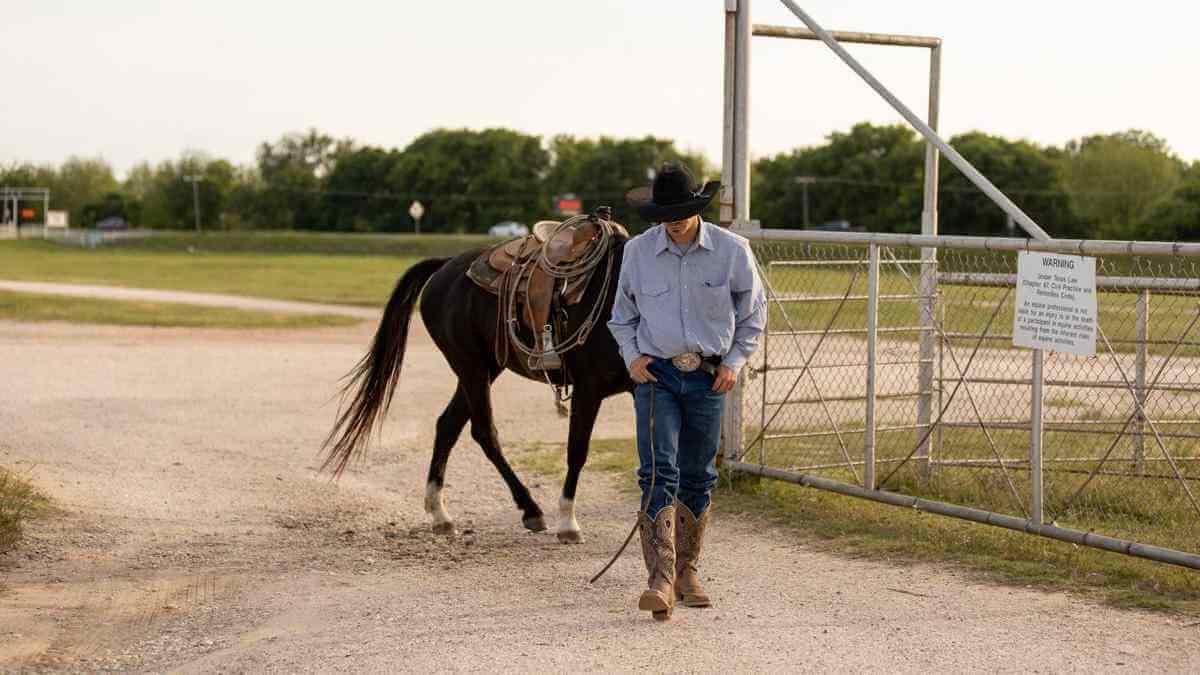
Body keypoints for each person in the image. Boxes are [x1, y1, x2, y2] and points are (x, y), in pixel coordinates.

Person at [607, 163, 766, 621]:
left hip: (708, 376)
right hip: (656, 376)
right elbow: (622, 316)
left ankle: (687, 571)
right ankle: (659, 577)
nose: (673, 220)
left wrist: (734, 363)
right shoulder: (637, 253)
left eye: (681, 211)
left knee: (698, 474)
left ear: (697, 208)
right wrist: (632, 358)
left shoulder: (733, 252)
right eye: (665, 213)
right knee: (657, 470)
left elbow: (754, 314)